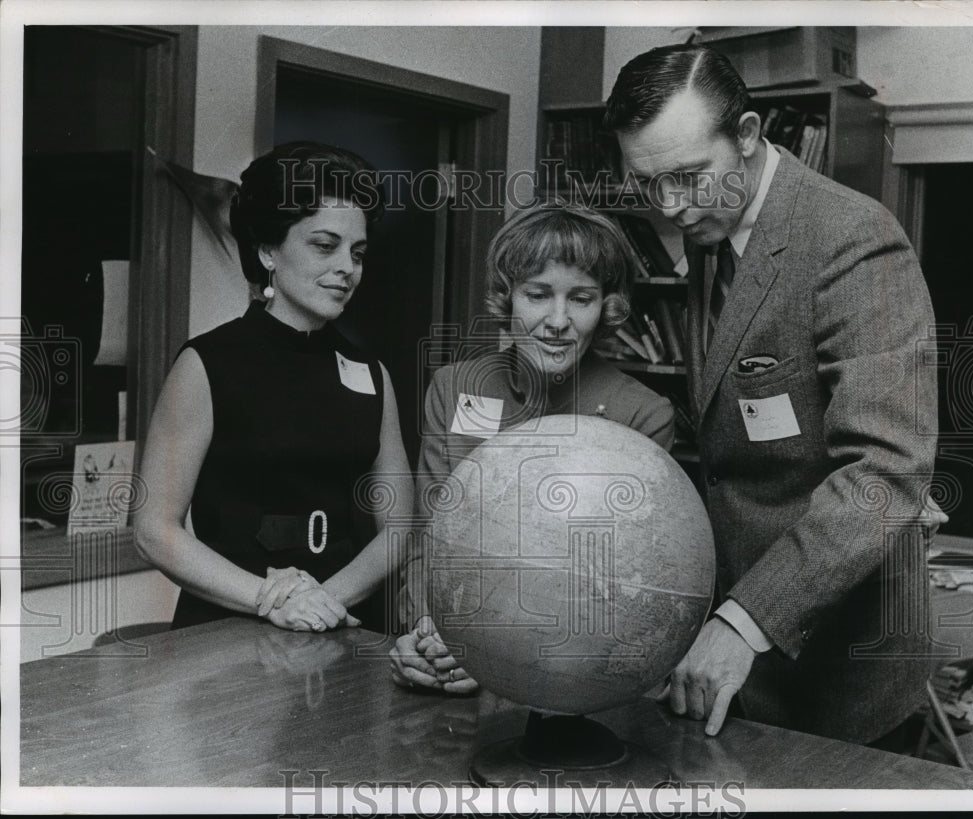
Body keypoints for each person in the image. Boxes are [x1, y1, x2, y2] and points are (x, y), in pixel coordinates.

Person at [604, 44, 944, 745]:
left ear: (751, 135)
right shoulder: (711, 230)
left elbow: (884, 473)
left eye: (689, 177)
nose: (670, 207)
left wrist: (744, 618)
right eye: (648, 184)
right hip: (738, 662)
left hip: (844, 667)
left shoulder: (853, 237)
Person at [389, 202, 676, 692]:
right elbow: (427, 539)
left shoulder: (643, 416)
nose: (557, 320)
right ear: (508, 297)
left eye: (581, 298)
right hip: (446, 663)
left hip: (567, 675)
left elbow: (619, 590)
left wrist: (491, 651)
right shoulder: (454, 387)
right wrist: (425, 634)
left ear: (606, 307)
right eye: (538, 295)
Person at [135, 142, 412, 633]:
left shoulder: (372, 374)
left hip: (340, 622)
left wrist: (321, 603)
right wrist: (271, 599)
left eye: (358, 252)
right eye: (325, 246)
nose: (347, 267)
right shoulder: (207, 364)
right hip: (228, 627)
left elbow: (400, 530)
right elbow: (155, 531)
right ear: (267, 250)